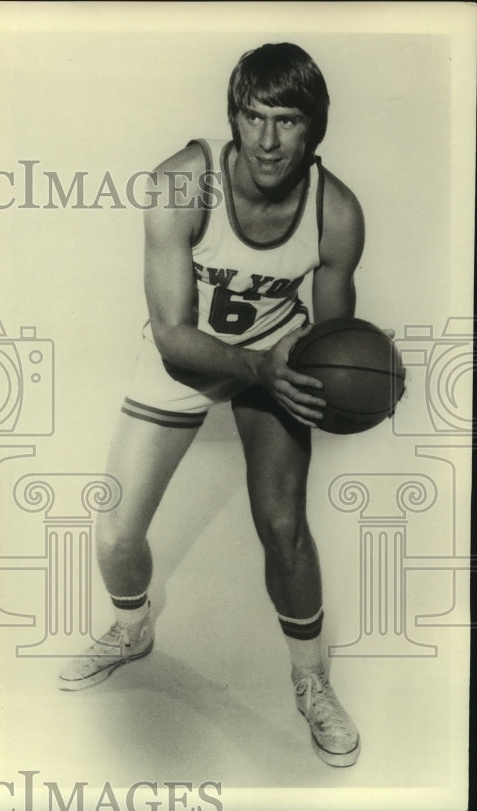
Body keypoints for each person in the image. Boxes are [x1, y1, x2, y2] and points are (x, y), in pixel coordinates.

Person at [58, 43, 364, 767]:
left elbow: (331, 344)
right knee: (113, 535)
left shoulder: (337, 212)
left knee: (284, 524)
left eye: (286, 120)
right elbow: (170, 332)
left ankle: (309, 677)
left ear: (313, 128)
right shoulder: (181, 183)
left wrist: (350, 384)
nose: (266, 139)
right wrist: (254, 364)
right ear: (232, 117)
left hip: (279, 356)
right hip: (189, 354)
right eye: (253, 117)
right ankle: (133, 628)